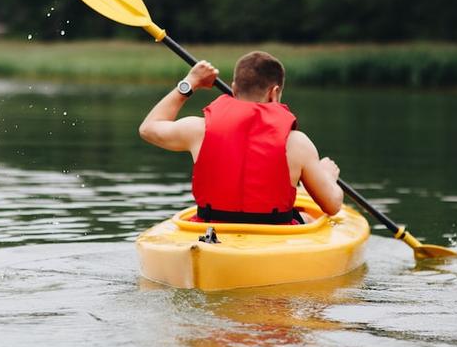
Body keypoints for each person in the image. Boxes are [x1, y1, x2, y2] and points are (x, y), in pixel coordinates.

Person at [138, 51, 343, 224]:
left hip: (211, 234)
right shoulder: (298, 143)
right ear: (275, 92)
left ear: (234, 88)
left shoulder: (199, 130)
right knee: (309, 218)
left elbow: (148, 128)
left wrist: (190, 82)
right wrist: (327, 177)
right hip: (275, 236)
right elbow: (332, 206)